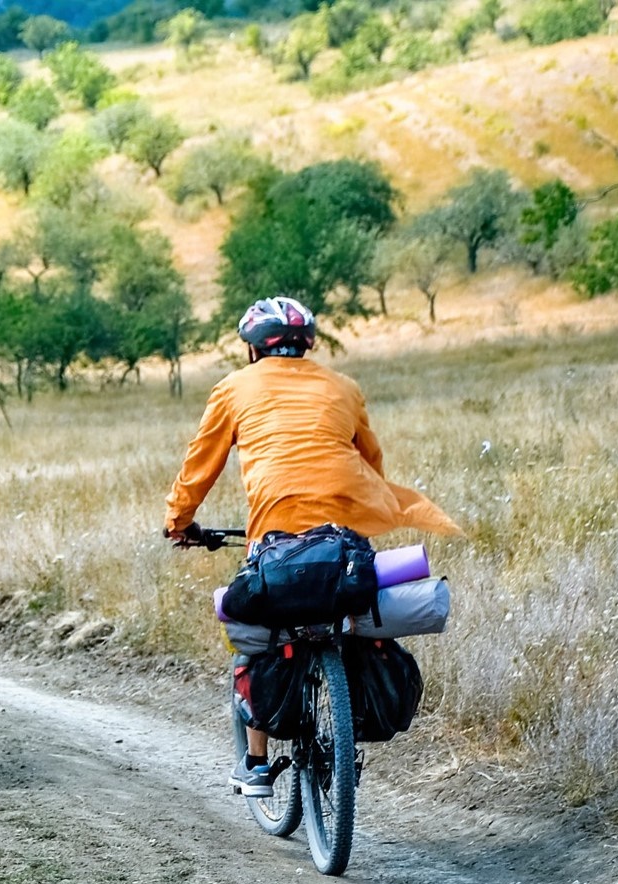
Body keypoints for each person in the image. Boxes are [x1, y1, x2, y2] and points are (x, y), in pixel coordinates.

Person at [163, 296, 461, 796]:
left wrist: (179, 523)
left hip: (274, 542)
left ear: (254, 349)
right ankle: (347, 712)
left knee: (256, 632)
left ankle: (256, 765)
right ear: (309, 345)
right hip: (344, 542)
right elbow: (371, 461)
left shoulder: (233, 388)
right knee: (353, 612)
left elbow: (200, 468)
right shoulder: (344, 388)